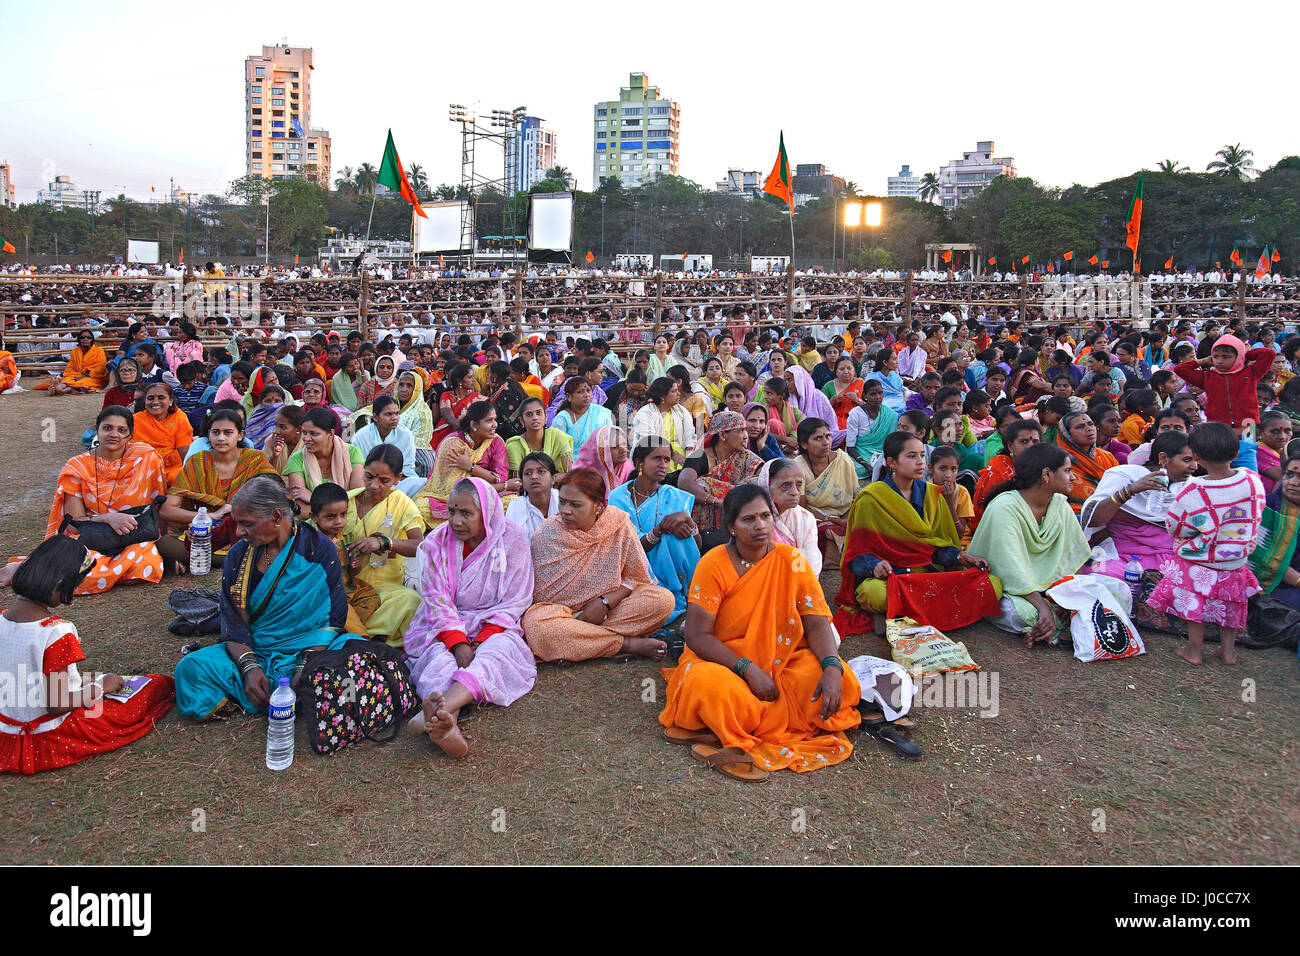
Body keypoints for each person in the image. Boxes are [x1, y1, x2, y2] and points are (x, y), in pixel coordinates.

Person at [658, 485, 862, 780]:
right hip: (723, 663)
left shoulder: (791, 560)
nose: (760, 526)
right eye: (748, 519)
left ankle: (724, 728)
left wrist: (831, 667)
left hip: (781, 660)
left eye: (766, 516)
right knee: (708, 687)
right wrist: (747, 668)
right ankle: (738, 721)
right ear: (731, 527)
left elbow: (816, 622)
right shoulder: (713, 564)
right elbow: (698, 636)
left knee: (844, 681)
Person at [173, 476, 364, 720]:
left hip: (312, 651)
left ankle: (274, 693)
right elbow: (232, 622)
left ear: (276, 517)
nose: (240, 531)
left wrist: (304, 664)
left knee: (354, 655)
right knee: (190, 668)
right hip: (258, 650)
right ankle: (295, 697)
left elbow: (334, 617)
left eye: (247, 524)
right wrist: (249, 667)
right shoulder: (238, 554)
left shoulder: (318, 548)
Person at [0, 536, 174, 774]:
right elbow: (57, 705)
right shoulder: (55, 632)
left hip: (7, 729)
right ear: (60, 582)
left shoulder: (2, 619)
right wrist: (102, 686)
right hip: (49, 733)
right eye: (75, 585)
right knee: (154, 686)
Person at [401, 477, 536, 758]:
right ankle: (447, 722)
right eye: (451, 511)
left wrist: (480, 640)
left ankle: (440, 710)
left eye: (466, 513)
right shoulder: (436, 542)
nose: (456, 521)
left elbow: (516, 598)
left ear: (486, 512)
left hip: (495, 623)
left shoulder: (512, 539)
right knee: (439, 657)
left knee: (494, 654)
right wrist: (457, 642)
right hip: (444, 621)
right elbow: (436, 599)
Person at [838, 432, 996, 627]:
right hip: (892, 578)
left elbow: (937, 547)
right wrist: (875, 565)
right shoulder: (871, 499)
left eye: (922, 455)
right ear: (891, 463)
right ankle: (920, 608)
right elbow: (857, 553)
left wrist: (961, 557)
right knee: (875, 594)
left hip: (925, 573)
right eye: (911, 456)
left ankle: (902, 610)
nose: (920, 462)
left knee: (992, 584)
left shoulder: (930, 494)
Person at [971, 443, 1120, 646]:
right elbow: (1010, 570)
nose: (1073, 477)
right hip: (1013, 590)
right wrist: (1043, 608)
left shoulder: (1060, 504)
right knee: (1019, 614)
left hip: (1053, 589)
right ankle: (1056, 624)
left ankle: (1053, 624)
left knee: (1120, 590)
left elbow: (1074, 559)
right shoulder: (1004, 507)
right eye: (1067, 471)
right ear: (1046, 475)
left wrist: (1068, 597)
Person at [522, 468, 675, 663]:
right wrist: (577, 616)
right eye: (562, 502)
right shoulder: (547, 533)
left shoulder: (618, 524)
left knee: (662, 601)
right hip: (561, 614)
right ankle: (626, 644)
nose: (565, 511)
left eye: (575, 505)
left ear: (598, 507)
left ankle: (580, 643)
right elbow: (540, 595)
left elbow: (636, 577)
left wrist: (604, 602)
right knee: (538, 626)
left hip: (609, 611)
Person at [1147, 423, 1265, 666]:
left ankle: (1194, 651)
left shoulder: (1194, 490)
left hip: (1200, 560)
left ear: (1197, 457)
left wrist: (1197, 529)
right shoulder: (1252, 480)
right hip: (1236, 559)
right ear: (1235, 452)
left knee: (1195, 607)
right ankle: (1228, 651)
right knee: (1232, 606)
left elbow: (1175, 525)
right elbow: (1258, 510)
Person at [35, 406, 167, 593]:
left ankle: (116, 571)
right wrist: (108, 518)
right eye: (107, 428)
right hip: (92, 538)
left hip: (135, 538)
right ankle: (110, 572)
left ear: (130, 435)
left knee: (148, 562)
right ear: (96, 430)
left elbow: (158, 508)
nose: (114, 434)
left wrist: (167, 548)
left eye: (122, 430)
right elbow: (73, 524)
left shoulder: (145, 457)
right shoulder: (77, 466)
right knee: (80, 570)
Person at [157, 408, 277, 568]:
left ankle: (227, 556)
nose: (221, 438)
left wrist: (239, 512)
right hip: (206, 535)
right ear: (208, 434)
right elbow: (166, 510)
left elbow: (276, 498)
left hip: (246, 532)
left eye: (228, 433)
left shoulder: (255, 460)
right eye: (215, 432)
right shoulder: (197, 462)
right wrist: (210, 516)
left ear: (240, 435)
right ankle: (240, 558)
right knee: (165, 543)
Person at [1079, 431, 1196, 587]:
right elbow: (1093, 519)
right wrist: (1130, 490)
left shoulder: (1191, 487)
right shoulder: (1125, 476)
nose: (1194, 467)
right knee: (1097, 576)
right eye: (1187, 460)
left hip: (1173, 560)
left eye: (1196, 460)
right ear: (1163, 459)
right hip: (1121, 557)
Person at [339, 444, 425, 647]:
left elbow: (419, 546)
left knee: (411, 601)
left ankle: (357, 632)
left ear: (398, 479)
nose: (374, 485)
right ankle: (373, 635)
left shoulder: (403, 504)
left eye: (384, 480)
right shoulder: (347, 500)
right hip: (345, 584)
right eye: (369, 477)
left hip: (385, 590)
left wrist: (385, 543)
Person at [609, 438, 701, 624]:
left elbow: (695, 546)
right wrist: (658, 531)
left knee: (677, 535)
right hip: (629, 570)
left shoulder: (675, 496)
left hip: (672, 572)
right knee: (668, 533)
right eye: (656, 458)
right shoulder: (616, 498)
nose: (663, 464)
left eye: (667, 459)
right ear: (639, 463)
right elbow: (623, 548)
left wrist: (688, 521)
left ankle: (684, 598)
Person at [416, 400, 518, 529]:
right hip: (451, 500)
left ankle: (469, 522)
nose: (495, 425)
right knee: (422, 508)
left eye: (495, 420)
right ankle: (477, 523)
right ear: (474, 425)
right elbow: (452, 489)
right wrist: (503, 484)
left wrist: (471, 467)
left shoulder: (496, 442)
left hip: (485, 496)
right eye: (489, 421)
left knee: (512, 502)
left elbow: (499, 478)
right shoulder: (453, 444)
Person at [678, 410, 764, 547]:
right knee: (702, 484)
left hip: (738, 517)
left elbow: (764, 477)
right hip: (704, 530)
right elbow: (684, 482)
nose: (746, 436)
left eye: (745, 430)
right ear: (723, 434)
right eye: (741, 430)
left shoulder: (747, 458)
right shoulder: (700, 455)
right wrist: (716, 500)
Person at [1173, 334, 1275, 428]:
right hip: (1218, 425)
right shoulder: (1208, 377)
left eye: (1226, 357)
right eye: (1215, 356)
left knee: (1246, 447)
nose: (1219, 361)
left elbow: (1269, 354)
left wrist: (1244, 354)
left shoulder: (1250, 373)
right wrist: (1203, 361)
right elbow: (1180, 370)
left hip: (1247, 425)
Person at [794, 417, 858, 553]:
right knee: (818, 531)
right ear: (804, 444)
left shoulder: (843, 460)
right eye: (818, 438)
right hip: (816, 518)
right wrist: (830, 520)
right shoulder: (798, 466)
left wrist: (846, 519)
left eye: (828, 436)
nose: (826, 442)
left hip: (846, 515)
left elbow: (854, 496)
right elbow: (801, 508)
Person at [1248, 454, 1300, 611]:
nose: (1293, 482)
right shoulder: (1267, 508)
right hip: (1270, 582)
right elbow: (1265, 559)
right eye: (1289, 475)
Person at [284, 407, 365, 507]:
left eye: (314, 434)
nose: (307, 439)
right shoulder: (297, 459)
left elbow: (357, 495)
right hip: (312, 520)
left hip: (348, 516)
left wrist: (312, 497)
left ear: (331, 433)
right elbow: (299, 505)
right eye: (304, 433)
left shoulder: (352, 453)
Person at [754, 457, 821, 575]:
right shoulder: (753, 519)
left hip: (799, 584)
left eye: (799, 485)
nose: (795, 492)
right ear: (766, 485)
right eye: (786, 485)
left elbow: (812, 565)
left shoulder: (806, 518)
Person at [351, 395, 425, 498]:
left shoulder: (406, 435)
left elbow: (408, 467)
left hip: (398, 482)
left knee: (420, 483)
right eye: (389, 414)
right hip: (371, 483)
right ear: (376, 417)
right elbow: (360, 468)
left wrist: (391, 481)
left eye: (396, 414)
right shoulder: (362, 436)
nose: (394, 418)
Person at [1056, 410, 1119, 514]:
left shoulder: (1107, 457)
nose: (1089, 429)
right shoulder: (1059, 462)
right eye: (1080, 427)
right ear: (1067, 434)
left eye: (1090, 424)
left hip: (1115, 512)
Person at [132, 382, 193, 485]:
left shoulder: (179, 418)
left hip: (171, 468)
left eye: (161, 398)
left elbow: (184, 454)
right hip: (140, 466)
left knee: (181, 480)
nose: (155, 402)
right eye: (150, 398)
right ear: (145, 401)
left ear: (170, 401)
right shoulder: (136, 420)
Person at [630, 377, 697, 471]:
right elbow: (648, 441)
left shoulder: (681, 411)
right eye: (674, 391)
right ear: (662, 397)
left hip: (682, 457)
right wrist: (673, 454)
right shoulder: (646, 413)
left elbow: (690, 436)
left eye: (677, 390)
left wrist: (689, 460)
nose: (679, 393)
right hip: (656, 456)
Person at [844, 378, 897, 481]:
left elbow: (891, 444)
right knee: (852, 467)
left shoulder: (890, 414)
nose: (878, 397)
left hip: (881, 454)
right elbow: (850, 447)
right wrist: (866, 465)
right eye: (873, 394)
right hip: (859, 453)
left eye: (880, 393)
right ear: (865, 396)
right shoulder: (855, 414)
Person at [505, 396, 573, 476]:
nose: (535, 417)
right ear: (522, 421)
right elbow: (517, 481)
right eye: (529, 414)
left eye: (538, 413)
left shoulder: (558, 437)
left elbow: (571, 474)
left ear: (546, 417)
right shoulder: (514, 445)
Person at [552, 376, 615, 456]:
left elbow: (610, 442)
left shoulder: (601, 413)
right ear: (569, 396)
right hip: (571, 465)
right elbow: (557, 450)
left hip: (599, 464)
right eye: (580, 392)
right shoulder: (562, 419)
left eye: (588, 391)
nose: (586, 395)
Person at [505, 451, 560, 536]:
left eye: (541, 471)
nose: (534, 477)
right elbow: (514, 543)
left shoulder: (563, 501)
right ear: (522, 482)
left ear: (553, 479)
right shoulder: (516, 506)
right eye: (528, 473)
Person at [573, 424, 632, 500]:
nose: (623, 450)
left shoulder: (629, 469)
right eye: (615, 447)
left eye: (624, 444)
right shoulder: (582, 475)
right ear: (601, 450)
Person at [395, 369, 434, 476]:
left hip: (413, 456)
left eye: (409, 386)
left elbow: (420, 442)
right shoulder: (392, 407)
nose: (403, 389)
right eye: (401, 385)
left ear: (416, 389)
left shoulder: (422, 412)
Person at [49, 330, 109, 395]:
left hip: (93, 377)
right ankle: (59, 388)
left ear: (92, 339)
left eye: (88, 337)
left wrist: (82, 377)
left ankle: (62, 390)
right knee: (67, 380)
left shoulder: (99, 351)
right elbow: (71, 367)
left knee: (81, 383)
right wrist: (75, 376)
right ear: (79, 339)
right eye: (82, 337)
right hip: (75, 375)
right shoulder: (75, 352)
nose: (85, 339)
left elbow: (100, 368)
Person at [820, 354, 864, 430]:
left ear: (854, 370)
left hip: (859, 421)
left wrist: (857, 400)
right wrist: (832, 401)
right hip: (833, 423)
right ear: (836, 371)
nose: (846, 371)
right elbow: (820, 409)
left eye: (849, 368)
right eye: (842, 369)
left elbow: (871, 407)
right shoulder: (828, 386)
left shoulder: (862, 384)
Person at [1254, 409, 1292, 494]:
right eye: (1275, 431)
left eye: (1287, 431)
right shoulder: (1258, 452)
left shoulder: (1283, 451)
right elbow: (1288, 477)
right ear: (1260, 433)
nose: (1283, 436)